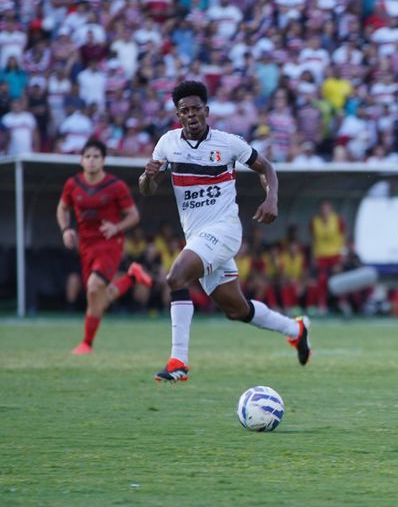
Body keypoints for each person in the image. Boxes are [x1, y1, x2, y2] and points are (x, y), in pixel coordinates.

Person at [139, 80, 310, 382]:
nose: (191, 115)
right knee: (237, 310)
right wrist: (148, 177)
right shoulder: (167, 144)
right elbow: (147, 190)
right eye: (184, 110)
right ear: (178, 115)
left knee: (175, 277)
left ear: (206, 111)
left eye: (196, 109)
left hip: (225, 230)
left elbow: (266, 168)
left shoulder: (228, 143)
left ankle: (178, 361)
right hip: (198, 236)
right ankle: (296, 329)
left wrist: (271, 198)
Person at [57, 138, 153, 354]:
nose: (91, 161)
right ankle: (131, 276)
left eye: (96, 157)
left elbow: (133, 216)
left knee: (93, 287)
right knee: (98, 296)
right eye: (88, 156)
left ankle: (87, 344)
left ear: (103, 161)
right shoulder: (73, 184)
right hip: (86, 246)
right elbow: (62, 208)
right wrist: (66, 229)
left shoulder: (115, 186)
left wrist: (116, 227)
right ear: (81, 160)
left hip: (110, 243)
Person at [309, 200, 346, 314]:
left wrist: (341, 257)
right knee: (322, 280)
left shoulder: (338, 220)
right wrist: (313, 256)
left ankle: (342, 303)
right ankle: (322, 305)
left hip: (335, 255)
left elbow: (342, 238)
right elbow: (313, 240)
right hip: (321, 255)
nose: (324, 211)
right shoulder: (314, 222)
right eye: (323, 208)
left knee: (339, 279)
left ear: (330, 209)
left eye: (327, 208)